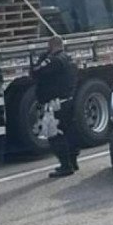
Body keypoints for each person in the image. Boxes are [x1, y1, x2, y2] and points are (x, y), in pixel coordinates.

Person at [31, 35, 79, 178]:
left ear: (51, 46)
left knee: (55, 134)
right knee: (69, 132)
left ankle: (65, 166)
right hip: (68, 99)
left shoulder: (53, 60)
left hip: (55, 103)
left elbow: (35, 72)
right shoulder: (68, 58)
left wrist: (42, 57)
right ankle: (73, 161)